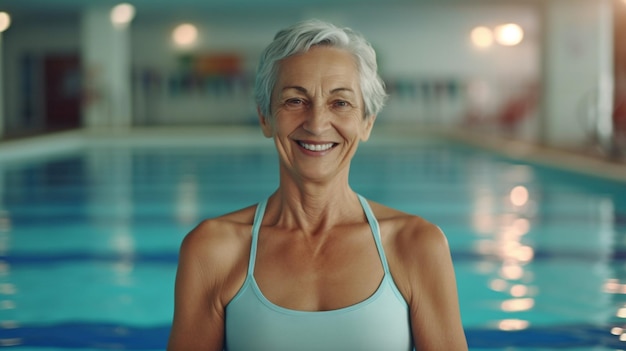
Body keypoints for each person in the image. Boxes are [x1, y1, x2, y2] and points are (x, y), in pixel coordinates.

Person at [167, 19, 468, 351]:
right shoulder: (214, 249)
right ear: (265, 117)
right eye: (295, 101)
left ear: (367, 122)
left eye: (340, 103)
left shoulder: (415, 245)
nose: (317, 123)